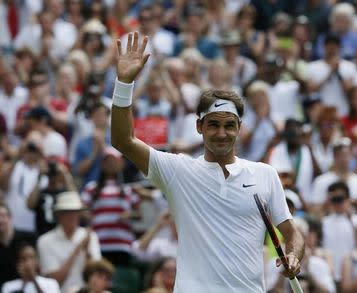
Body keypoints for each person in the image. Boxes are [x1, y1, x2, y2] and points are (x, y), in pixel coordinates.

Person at [111, 32, 304, 292]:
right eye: (213, 124)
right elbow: (123, 140)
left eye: (229, 125)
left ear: (239, 128)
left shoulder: (265, 174)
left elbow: (291, 233)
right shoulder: (177, 170)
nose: (222, 133)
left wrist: (293, 255)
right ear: (199, 126)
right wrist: (124, 84)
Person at [37, 191, 102, 292]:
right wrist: (78, 248)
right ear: (59, 215)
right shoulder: (45, 241)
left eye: (75, 211)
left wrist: (87, 252)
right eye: (67, 212)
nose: (72, 216)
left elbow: (96, 276)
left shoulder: (91, 237)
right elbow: (55, 280)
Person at [0, 203, 36, 288]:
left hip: (28, 286)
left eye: (3, 216)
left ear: (10, 217)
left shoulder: (29, 238)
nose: (0, 220)